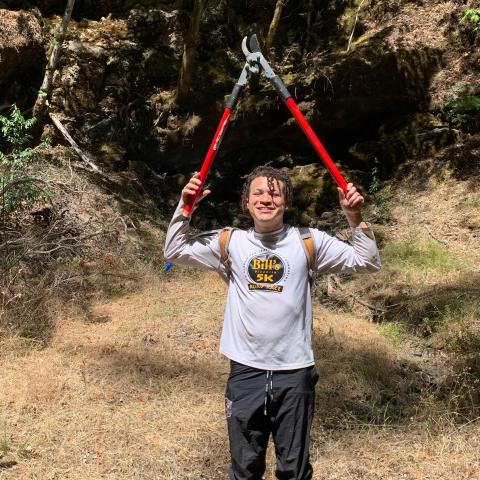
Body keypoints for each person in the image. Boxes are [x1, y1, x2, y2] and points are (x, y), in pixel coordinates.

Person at [164, 165, 381, 480]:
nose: (266, 199)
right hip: (245, 373)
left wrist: (355, 218)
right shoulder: (230, 242)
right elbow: (173, 250)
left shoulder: (309, 241)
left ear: (286, 202)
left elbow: (368, 262)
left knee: (294, 470)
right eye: (259, 193)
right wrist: (186, 208)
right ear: (247, 203)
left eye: (274, 193)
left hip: (295, 374)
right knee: (244, 469)